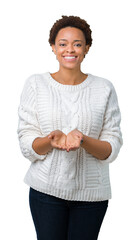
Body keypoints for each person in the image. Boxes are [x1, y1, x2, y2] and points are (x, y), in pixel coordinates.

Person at [17, 15, 123, 240]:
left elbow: (111, 149)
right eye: (63, 44)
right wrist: (50, 140)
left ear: (87, 48)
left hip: (92, 197)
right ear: (53, 47)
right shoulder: (36, 84)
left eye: (77, 44)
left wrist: (83, 140)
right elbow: (26, 143)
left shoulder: (104, 88)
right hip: (45, 192)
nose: (70, 50)